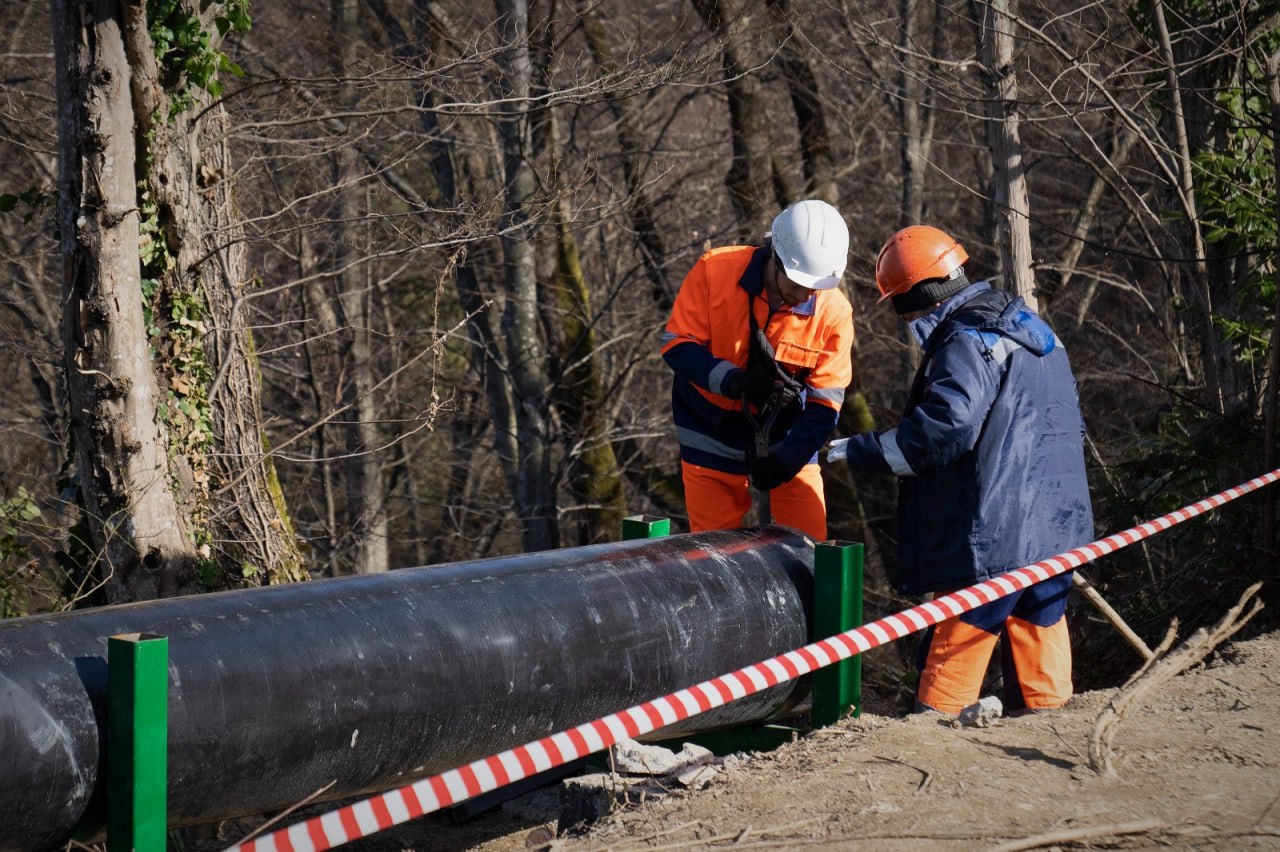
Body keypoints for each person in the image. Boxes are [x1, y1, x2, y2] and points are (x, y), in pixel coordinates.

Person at [828, 225, 1093, 716]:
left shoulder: (965, 340)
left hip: (994, 538)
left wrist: (861, 451)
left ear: (919, 294)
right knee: (1044, 671)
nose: (902, 319)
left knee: (952, 664)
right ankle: (1051, 758)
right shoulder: (1035, 330)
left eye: (899, 306)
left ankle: (927, 751)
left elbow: (944, 430)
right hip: (1057, 532)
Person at [661, 199, 855, 542]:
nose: (803, 294)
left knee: (810, 549)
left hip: (787, 438)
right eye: (796, 283)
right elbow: (678, 345)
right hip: (708, 429)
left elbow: (826, 404)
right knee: (711, 554)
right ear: (775, 257)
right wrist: (732, 381)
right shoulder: (715, 271)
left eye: (813, 288)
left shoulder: (834, 312)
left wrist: (788, 461)